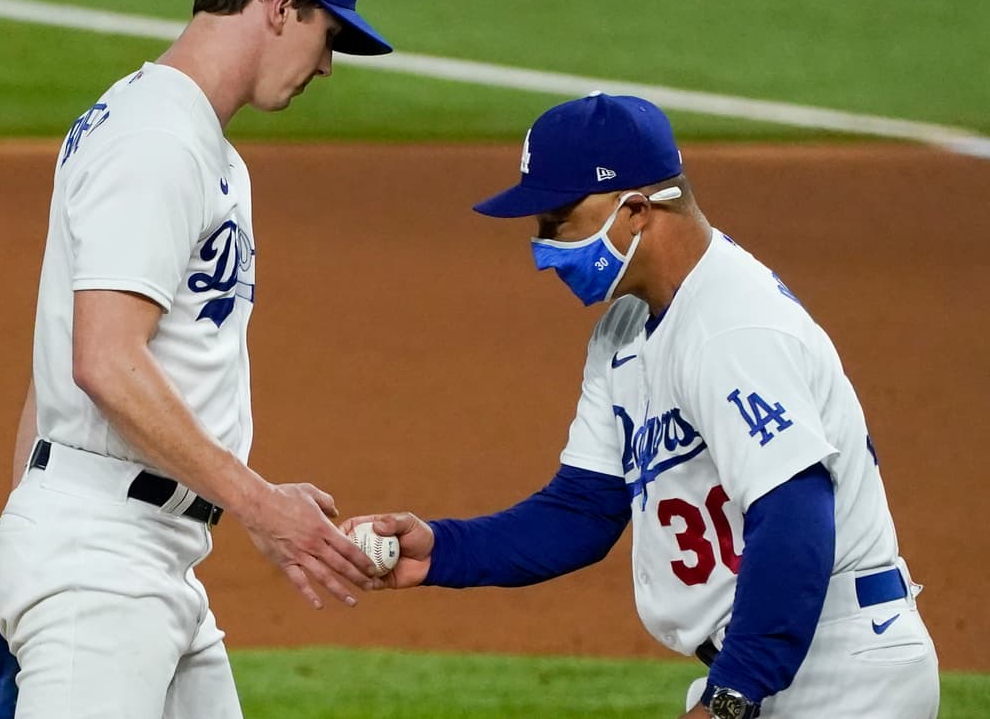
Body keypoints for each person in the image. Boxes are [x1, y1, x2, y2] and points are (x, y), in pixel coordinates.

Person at [343, 93, 939, 718]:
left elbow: (794, 517)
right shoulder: (626, 327)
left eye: (556, 222)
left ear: (633, 211)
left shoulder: (732, 328)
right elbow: (582, 510)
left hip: (839, 666)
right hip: (778, 661)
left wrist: (731, 698)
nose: (542, 250)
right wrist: (440, 549)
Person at [0, 0, 393, 719]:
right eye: (328, 36)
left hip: (146, 558)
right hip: (100, 569)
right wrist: (259, 504)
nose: (326, 69)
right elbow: (102, 359)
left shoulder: (192, 142)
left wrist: (18, 526)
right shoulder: (158, 140)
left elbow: (74, 355)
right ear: (282, 5)